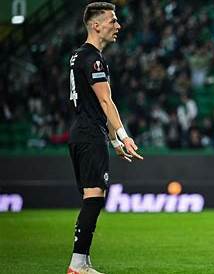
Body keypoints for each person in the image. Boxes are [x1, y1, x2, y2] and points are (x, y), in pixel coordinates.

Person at [67, 2, 143, 274]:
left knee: (93, 197)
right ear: (96, 25)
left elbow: (97, 105)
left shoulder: (78, 56)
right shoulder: (94, 59)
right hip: (89, 134)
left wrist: (114, 141)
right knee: (94, 197)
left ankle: (82, 263)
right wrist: (125, 135)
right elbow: (105, 100)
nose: (118, 25)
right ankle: (77, 264)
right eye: (113, 21)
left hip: (81, 131)